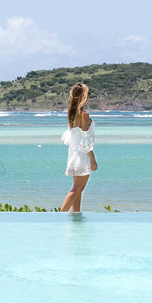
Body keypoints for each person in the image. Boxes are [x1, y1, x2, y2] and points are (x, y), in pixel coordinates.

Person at [60, 82, 97, 212]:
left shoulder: (72, 114)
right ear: (84, 96)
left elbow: (71, 138)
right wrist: (93, 159)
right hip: (82, 156)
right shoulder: (84, 115)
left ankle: (76, 216)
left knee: (78, 189)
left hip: (74, 154)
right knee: (77, 189)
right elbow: (85, 140)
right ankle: (59, 216)